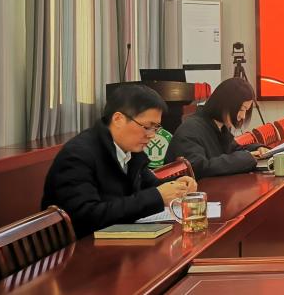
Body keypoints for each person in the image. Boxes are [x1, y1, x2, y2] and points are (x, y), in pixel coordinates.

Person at [42, 85, 197, 238]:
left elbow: (151, 186)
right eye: (147, 127)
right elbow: (86, 217)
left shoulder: (130, 150)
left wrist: (178, 186)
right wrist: (158, 196)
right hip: (83, 247)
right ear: (118, 119)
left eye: (155, 128)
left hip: (117, 239)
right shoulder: (78, 155)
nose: (152, 135)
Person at [166, 78, 269, 178]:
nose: (243, 116)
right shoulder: (190, 129)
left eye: (246, 110)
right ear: (225, 104)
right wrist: (246, 158)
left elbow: (234, 149)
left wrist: (257, 149)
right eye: (242, 109)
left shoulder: (219, 126)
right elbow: (198, 168)